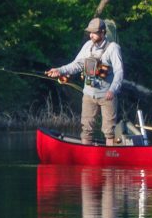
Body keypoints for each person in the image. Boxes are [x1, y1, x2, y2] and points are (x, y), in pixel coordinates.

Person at [47, 17, 125, 145]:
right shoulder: (88, 46)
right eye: (90, 32)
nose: (91, 35)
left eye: (94, 32)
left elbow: (119, 72)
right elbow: (76, 65)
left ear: (103, 32)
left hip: (107, 96)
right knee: (86, 129)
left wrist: (113, 90)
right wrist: (59, 70)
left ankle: (110, 157)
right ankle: (86, 155)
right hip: (88, 95)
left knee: (109, 130)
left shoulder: (113, 48)